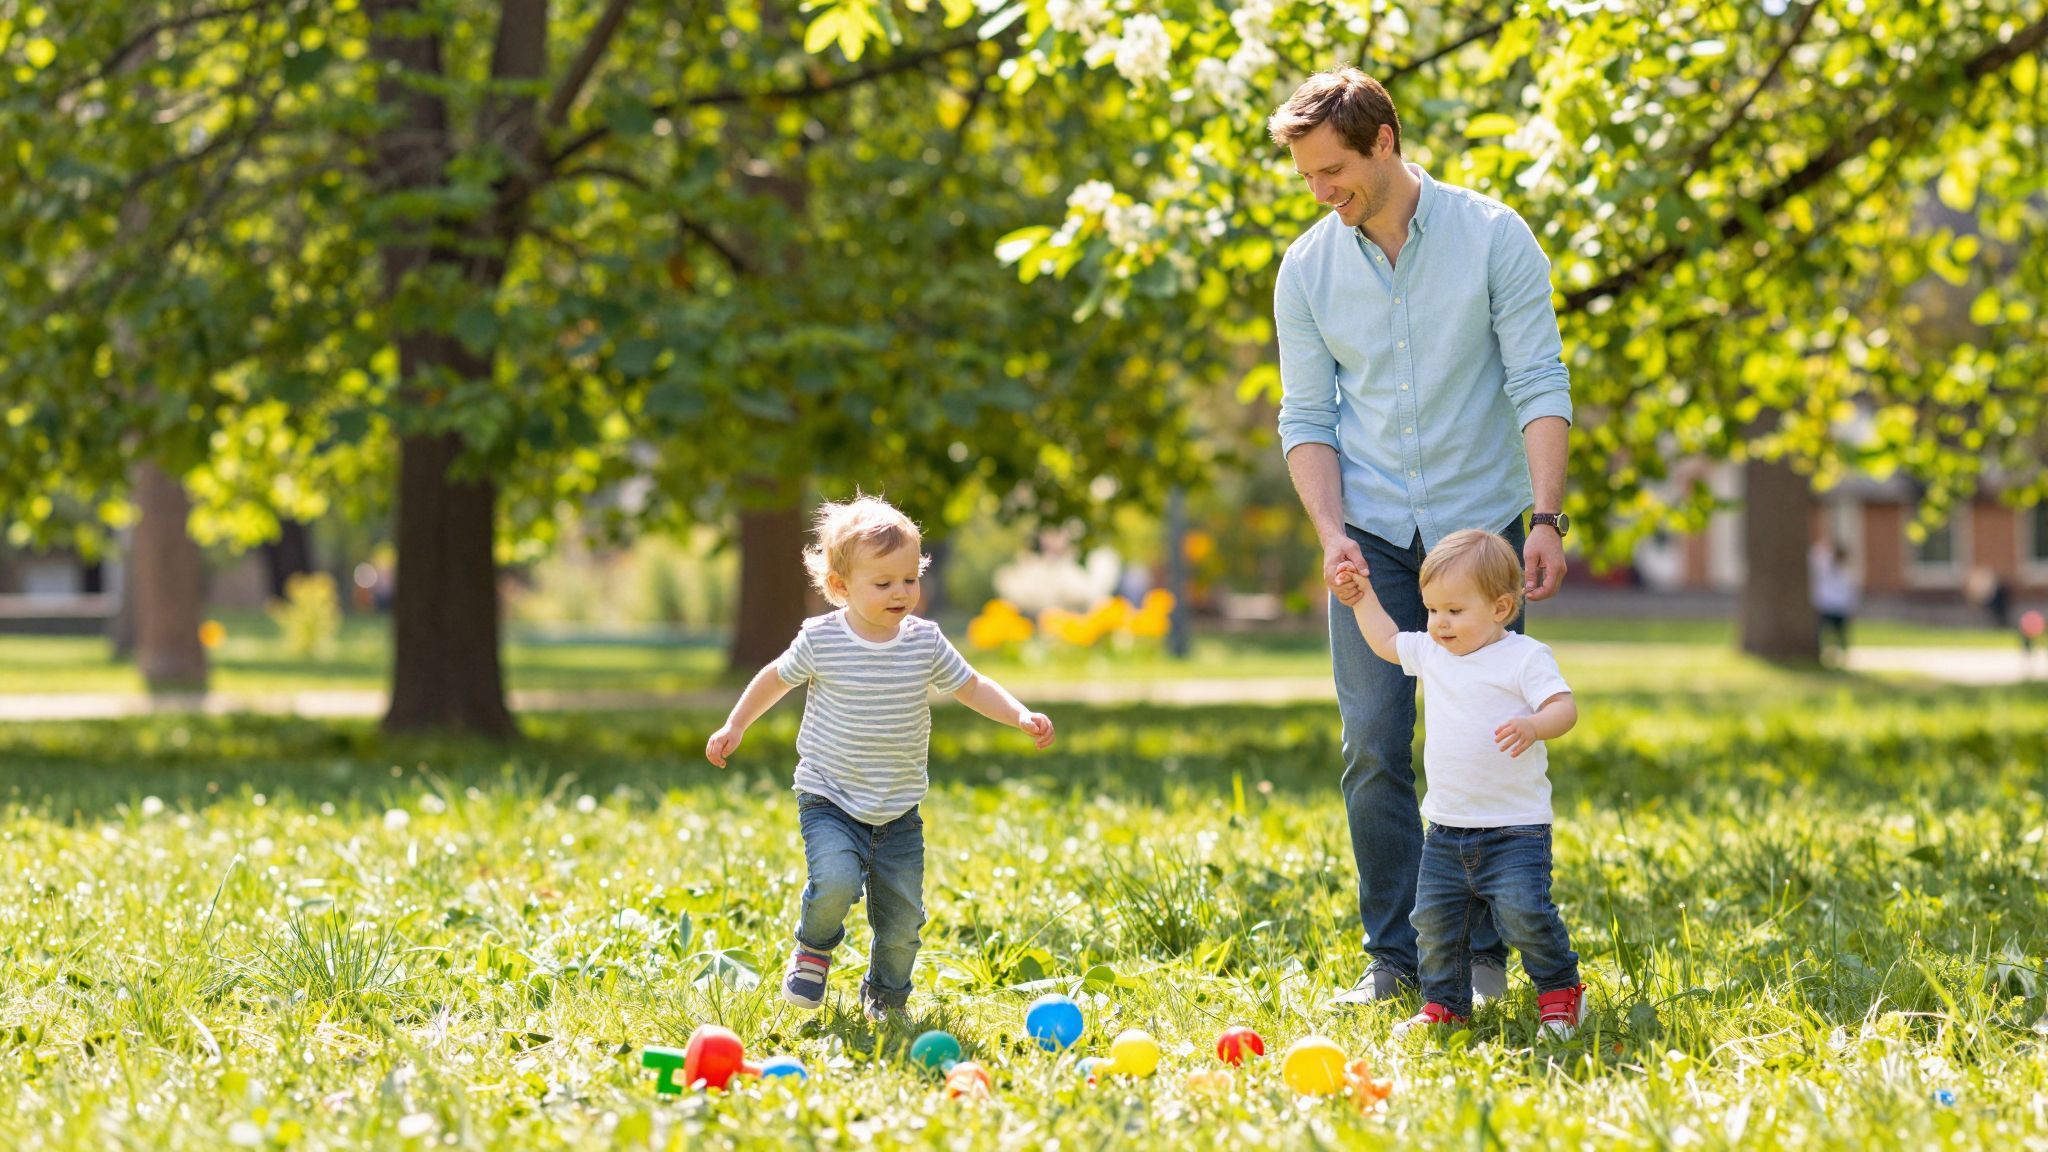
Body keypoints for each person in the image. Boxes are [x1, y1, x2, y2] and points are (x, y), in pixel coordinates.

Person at [1267, 67, 1574, 1004]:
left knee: (1484, 730)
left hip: (1479, 532)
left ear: (1385, 142)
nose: (1322, 192)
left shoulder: (1493, 236)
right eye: (1309, 176)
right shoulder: (1307, 269)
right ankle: (1397, 958)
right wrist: (1331, 534)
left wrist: (1549, 514)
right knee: (1371, 741)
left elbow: (1539, 381)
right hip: (1369, 532)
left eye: (1334, 171)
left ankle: (1477, 957)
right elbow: (1306, 417)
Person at [705, 495, 1056, 1021]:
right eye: (884, 583)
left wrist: (1019, 715)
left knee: (902, 921)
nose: (902, 593)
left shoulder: (924, 642)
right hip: (829, 796)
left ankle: (886, 997)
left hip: (898, 810)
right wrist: (735, 724)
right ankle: (813, 950)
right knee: (835, 882)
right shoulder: (822, 639)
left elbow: (972, 685)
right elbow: (774, 678)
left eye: (910, 580)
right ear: (842, 586)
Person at [1335, 530, 1586, 1037]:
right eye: (1431, 611)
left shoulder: (1524, 657)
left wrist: (1534, 726)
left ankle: (1561, 994)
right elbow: (1385, 641)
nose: (1438, 624)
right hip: (1447, 829)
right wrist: (1363, 598)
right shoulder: (1433, 652)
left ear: (1500, 607)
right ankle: (1445, 1005)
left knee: (1525, 916)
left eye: (1453, 611)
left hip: (1515, 830)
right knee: (1435, 926)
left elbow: (1564, 707)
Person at [1809, 539, 1858, 662]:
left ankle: (1843, 656)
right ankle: (1823, 654)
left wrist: (1851, 607)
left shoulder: (1847, 572)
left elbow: (1851, 592)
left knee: (1840, 635)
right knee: (1823, 633)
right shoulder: (1825, 566)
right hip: (1826, 605)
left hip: (1840, 607)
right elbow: (1814, 556)